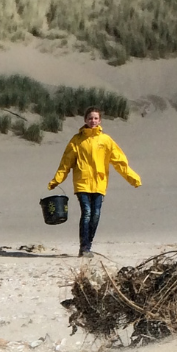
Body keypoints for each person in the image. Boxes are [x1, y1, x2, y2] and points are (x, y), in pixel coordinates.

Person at [48, 107, 142, 257]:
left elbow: (119, 162)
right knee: (87, 213)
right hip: (82, 182)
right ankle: (84, 248)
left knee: (96, 215)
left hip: (99, 183)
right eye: (90, 118)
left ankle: (88, 245)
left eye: (96, 118)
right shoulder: (77, 140)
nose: (93, 121)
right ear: (85, 120)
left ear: (100, 120)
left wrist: (133, 178)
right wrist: (56, 180)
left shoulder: (105, 140)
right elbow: (66, 163)